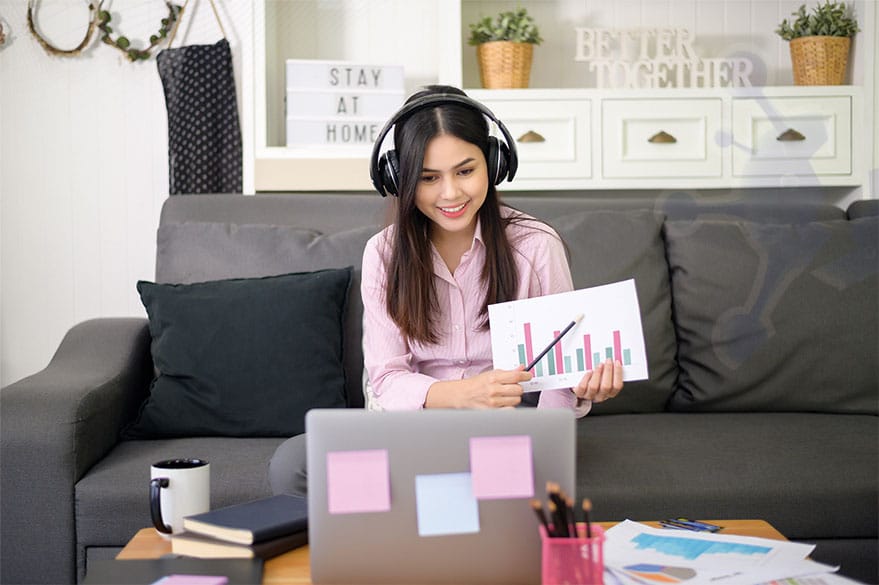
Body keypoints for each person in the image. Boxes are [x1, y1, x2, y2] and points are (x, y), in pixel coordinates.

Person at [268, 85, 623, 496]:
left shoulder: (536, 246)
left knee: (478, 482)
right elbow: (387, 377)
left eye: (466, 171)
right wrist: (463, 393)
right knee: (294, 464)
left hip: (508, 431)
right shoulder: (383, 253)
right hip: (414, 430)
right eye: (429, 178)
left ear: (493, 163)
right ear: (399, 178)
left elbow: (559, 379)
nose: (451, 193)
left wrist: (562, 419)